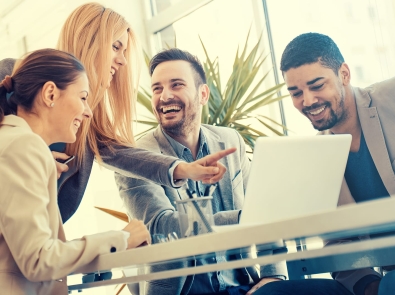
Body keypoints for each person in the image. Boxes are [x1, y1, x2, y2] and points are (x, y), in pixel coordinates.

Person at [0, 2, 234, 223]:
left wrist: (183, 168)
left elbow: (124, 155)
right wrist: (26, 158)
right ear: (89, 42)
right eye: (115, 47)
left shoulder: (87, 116)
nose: (122, 60)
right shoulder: (15, 73)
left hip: (30, 237)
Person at [115, 48, 287, 295]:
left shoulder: (231, 141)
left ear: (203, 94)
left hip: (244, 287)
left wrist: (273, 275)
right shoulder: (135, 157)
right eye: (157, 88)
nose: (164, 96)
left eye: (176, 85)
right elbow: (162, 228)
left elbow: (262, 206)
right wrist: (242, 219)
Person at [0, 48, 152, 295]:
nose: (88, 111)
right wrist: (120, 239)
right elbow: (38, 261)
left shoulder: (11, 140)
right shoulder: (23, 146)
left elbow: (24, 256)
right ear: (50, 93)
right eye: (82, 97)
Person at [255, 32, 395, 295]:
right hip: (378, 283)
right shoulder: (317, 155)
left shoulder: (391, 99)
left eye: (317, 86)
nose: (307, 101)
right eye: (296, 93)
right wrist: (368, 287)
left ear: (344, 74)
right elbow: (337, 241)